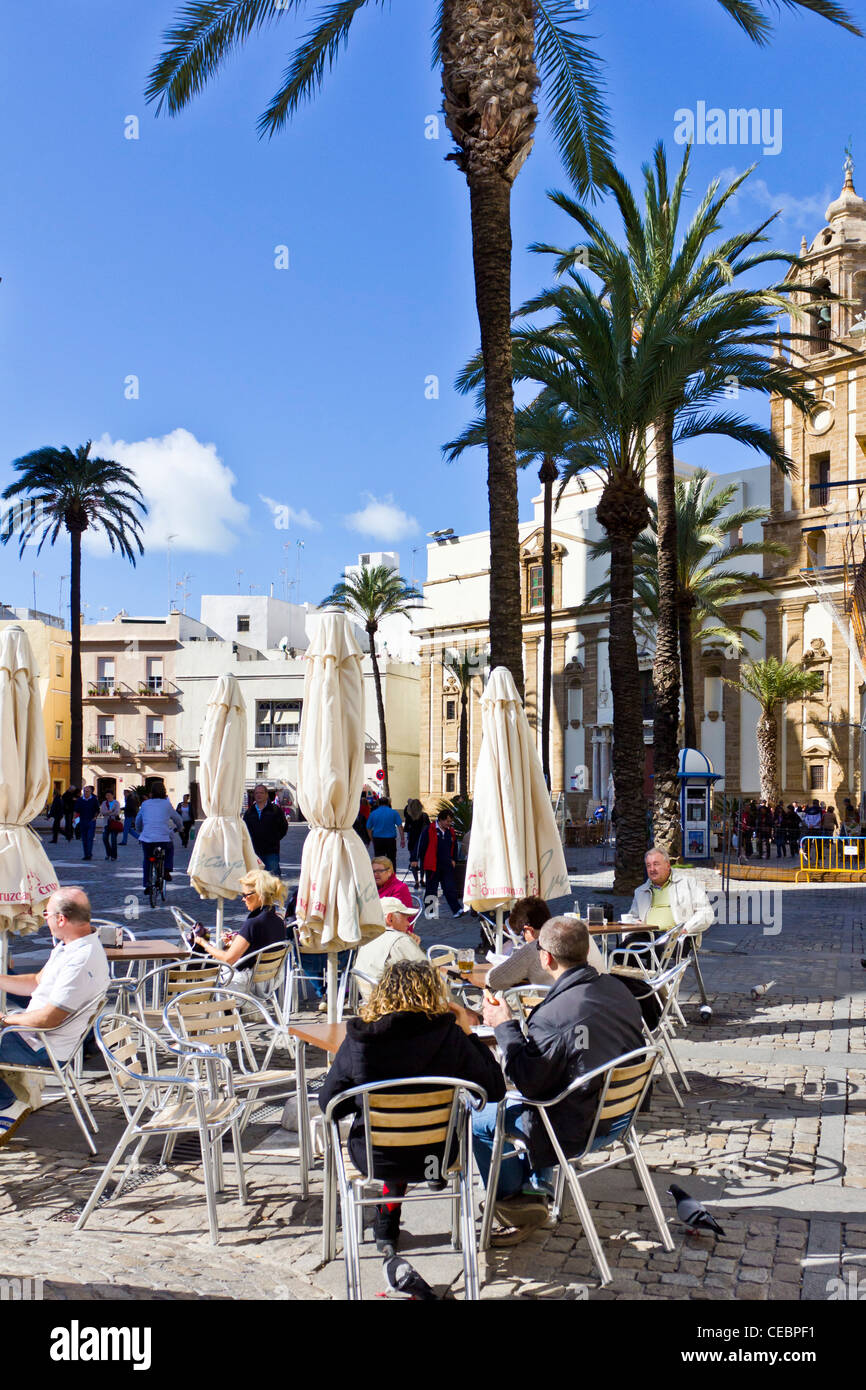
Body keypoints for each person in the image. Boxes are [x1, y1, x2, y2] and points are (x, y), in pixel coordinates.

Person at [473, 917, 644, 1241]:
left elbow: (529, 1082)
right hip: (620, 1115)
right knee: (553, 1086)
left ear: (545, 957)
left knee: (481, 1118)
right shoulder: (618, 990)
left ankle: (516, 1203)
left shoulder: (552, 1015)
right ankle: (538, 1184)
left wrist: (504, 1024)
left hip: (579, 1126)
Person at [319, 959, 506, 1254]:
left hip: (374, 1156)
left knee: (389, 1137)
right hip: (437, 1153)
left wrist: (365, 1099)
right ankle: (404, 1205)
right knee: (415, 1140)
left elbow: (329, 1103)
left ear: (383, 992)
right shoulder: (449, 1036)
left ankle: (387, 1221)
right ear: (434, 994)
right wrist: (467, 1032)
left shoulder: (360, 1038)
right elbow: (494, 1089)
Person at [0, 887, 109, 1143]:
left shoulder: (80, 959)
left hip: (43, 1045)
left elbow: (46, 1019)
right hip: (36, 1036)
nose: (43, 919)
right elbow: (37, 983)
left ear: (61, 919)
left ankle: (6, 1106)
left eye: (46, 913)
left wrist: (5, 1020)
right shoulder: (71, 946)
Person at [194, 868, 289, 992]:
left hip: (245, 984)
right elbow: (260, 945)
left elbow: (228, 959)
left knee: (200, 972)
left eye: (245, 895)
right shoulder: (278, 920)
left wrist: (204, 943)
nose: (243, 899)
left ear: (259, 894)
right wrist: (235, 942)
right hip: (269, 982)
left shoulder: (253, 923)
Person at [487, 896, 606, 992]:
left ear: (529, 929)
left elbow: (494, 980)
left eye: (522, 933)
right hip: (599, 1000)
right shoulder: (580, 933)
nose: (523, 938)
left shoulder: (535, 948)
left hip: (556, 1013)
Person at [626, 847, 714, 950]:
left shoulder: (688, 884)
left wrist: (686, 929)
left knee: (658, 951)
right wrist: (635, 923)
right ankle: (639, 966)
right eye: (648, 865)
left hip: (677, 936)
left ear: (668, 865)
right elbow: (632, 917)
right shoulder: (640, 891)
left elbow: (706, 913)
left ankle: (649, 965)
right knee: (622, 951)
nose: (652, 869)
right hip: (648, 936)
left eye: (656, 864)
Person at [355, 897, 427, 998]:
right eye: (405, 918)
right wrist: (414, 946)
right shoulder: (400, 940)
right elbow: (427, 971)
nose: (408, 923)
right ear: (390, 918)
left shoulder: (368, 937)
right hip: (393, 1000)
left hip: (370, 998)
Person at [418, 809, 466, 918]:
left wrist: (454, 859)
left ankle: (456, 910)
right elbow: (422, 847)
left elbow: (454, 847)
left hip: (446, 865)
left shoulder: (450, 831)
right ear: (440, 820)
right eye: (447, 821)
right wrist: (419, 861)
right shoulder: (429, 830)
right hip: (433, 865)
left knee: (450, 888)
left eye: (450, 821)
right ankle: (431, 912)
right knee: (431, 889)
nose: (449, 824)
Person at [135, 783, 183, 889]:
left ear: (151, 793)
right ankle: (167, 869)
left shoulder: (145, 804)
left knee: (147, 859)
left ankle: (147, 883)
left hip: (147, 838)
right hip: (163, 838)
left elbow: (138, 820)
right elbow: (177, 819)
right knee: (170, 848)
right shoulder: (167, 804)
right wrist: (180, 828)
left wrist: (139, 831)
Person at [243, 784, 288, 876]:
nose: (259, 795)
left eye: (261, 793)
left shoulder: (275, 810)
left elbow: (283, 827)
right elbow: (244, 830)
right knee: (255, 878)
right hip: (254, 852)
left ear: (266, 795)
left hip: (271, 852)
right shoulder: (249, 812)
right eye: (256, 793)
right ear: (254, 795)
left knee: (272, 878)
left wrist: (274, 839)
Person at [366, 796, 405, 868]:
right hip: (390, 840)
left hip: (378, 839)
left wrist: (371, 838)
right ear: (388, 803)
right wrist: (402, 839)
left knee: (379, 860)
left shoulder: (373, 813)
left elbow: (368, 828)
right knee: (392, 859)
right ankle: (392, 876)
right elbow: (400, 826)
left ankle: (380, 876)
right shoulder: (394, 813)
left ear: (378, 804)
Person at [403, 798, 430, 891]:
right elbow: (429, 828)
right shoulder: (424, 816)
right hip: (423, 842)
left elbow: (406, 829)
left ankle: (416, 881)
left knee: (413, 862)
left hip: (412, 841)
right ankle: (422, 879)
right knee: (423, 862)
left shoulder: (409, 817)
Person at [73, 785, 100, 861]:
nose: (86, 793)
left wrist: (95, 817)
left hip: (91, 821)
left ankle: (89, 854)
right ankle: (86, 854)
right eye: (85, 791)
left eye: (87, 791)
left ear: (91, 792)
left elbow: (97, 810)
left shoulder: (94, 799)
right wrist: (74, 818)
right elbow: (76, 810)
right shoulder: (80, 800)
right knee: (84, 839)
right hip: (82, 821)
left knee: (90, 838)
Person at [100, 790, 121, 861]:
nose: (108, 797)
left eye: (109, 795)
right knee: (105, 838)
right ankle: (108, 853)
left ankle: (114, 856)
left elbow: (117, 812)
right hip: (106, 823)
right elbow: (102, 812)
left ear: (112, 795)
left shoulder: (116, 802)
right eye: (106, 795)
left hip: (114, 823)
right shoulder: (104, 803)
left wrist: (108, 813)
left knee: (113, 839)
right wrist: (110, 812)